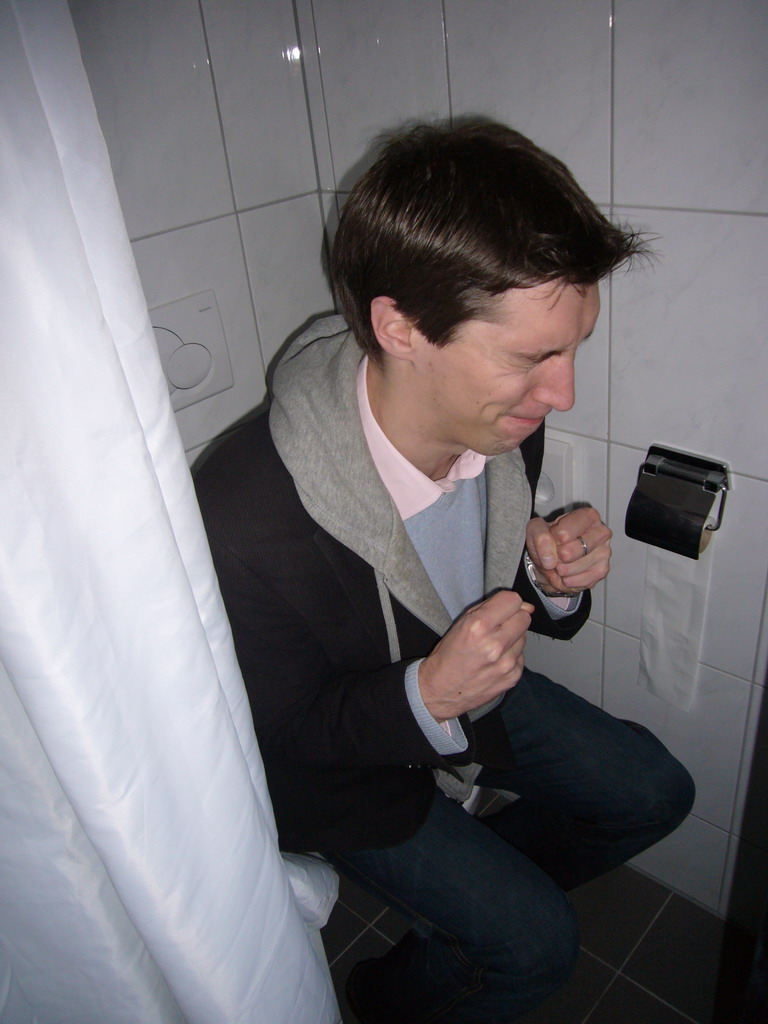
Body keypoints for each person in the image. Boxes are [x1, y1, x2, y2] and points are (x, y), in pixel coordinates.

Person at [195, 120, 695, 1024]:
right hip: (343, 774)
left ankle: (469, 922)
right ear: (403, 326)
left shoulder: (500, 421)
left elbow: (471, 587)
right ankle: (392, 997)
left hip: (466, 702)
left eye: (573, 347)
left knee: (657, 793)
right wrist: (426, 696)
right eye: (533, 356)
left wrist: (548, 580)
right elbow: (284, 733)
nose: (563, 395)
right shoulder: (239, 516)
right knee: (538, 950)